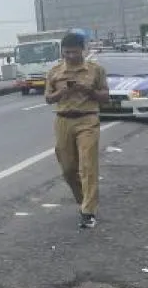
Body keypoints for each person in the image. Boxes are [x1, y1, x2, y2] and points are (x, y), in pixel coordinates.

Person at [44, 32, 110, 229]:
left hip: (87, 119)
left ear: (83, 50)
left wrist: (88, 91)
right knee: (68, 169)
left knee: (87, 165)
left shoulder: (95, 70)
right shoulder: (55, 71)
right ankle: (84, 200)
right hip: (63, 120)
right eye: (66, 53)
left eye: (74, 52)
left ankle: (89, 211)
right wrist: (61, 92)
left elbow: (105, 97)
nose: (70, 56)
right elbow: (48, 98)